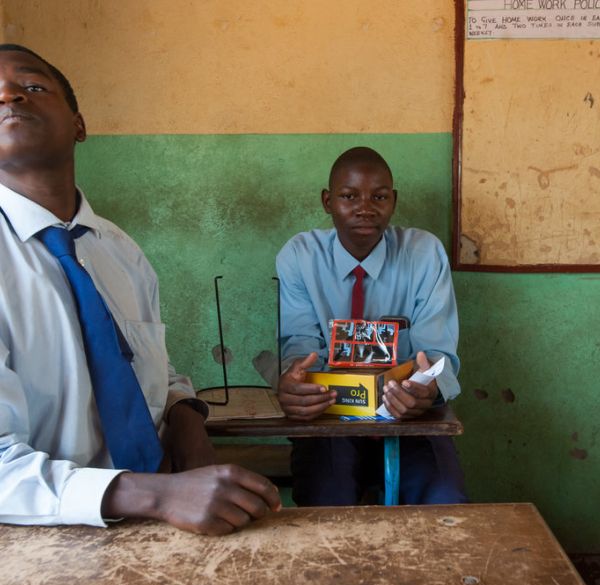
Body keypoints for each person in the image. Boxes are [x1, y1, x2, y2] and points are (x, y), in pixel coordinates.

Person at [0, 44, 280, 534]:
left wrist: (187, 418)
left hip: (158, 519)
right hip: (42, 539)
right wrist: (155, 494)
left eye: (32, 86)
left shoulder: (119, 250)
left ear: (79, 126)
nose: (9, 96)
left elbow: (154, 369)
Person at [276, 146, 467, 506]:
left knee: (446, 502)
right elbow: (301, 348)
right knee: (326, 502)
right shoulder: (300, 256)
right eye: (349, 196)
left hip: (409, 417)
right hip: (329, 416)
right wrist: (294, 382)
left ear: (393, 201)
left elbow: (437, 355)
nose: (365, 207)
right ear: (327, 201)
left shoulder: (424, 254)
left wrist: (428, 390)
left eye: (379, 196)